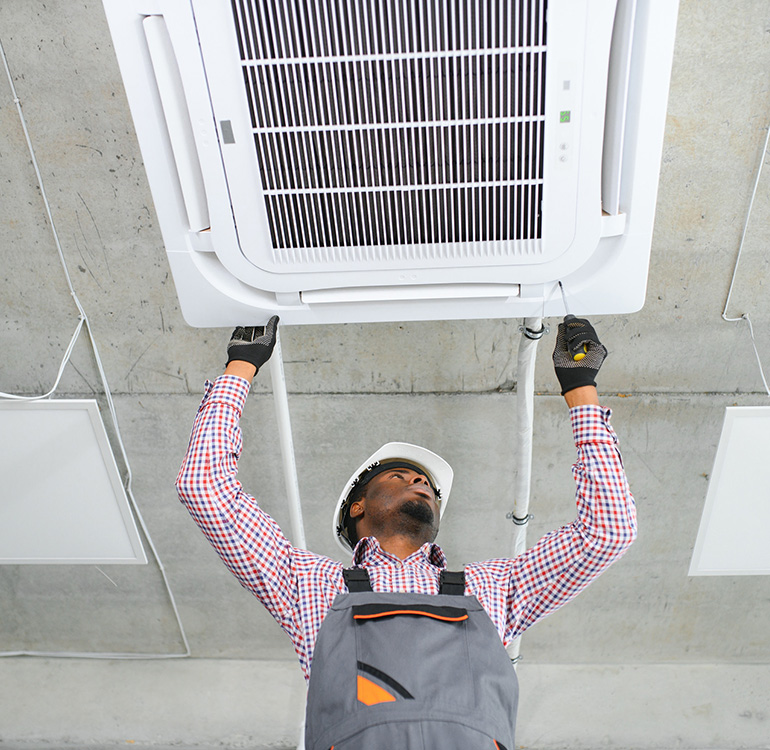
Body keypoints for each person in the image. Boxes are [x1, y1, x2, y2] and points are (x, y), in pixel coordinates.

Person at [176, 315, 636, 749]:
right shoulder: (307, 585)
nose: (420, 480)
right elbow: (203, 487)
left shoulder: (494, 587)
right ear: (357, 506)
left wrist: (581, 390)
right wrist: (241, 366)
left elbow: (609, 531)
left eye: (427, 485)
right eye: (400, 476)